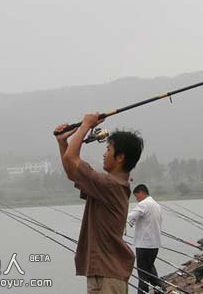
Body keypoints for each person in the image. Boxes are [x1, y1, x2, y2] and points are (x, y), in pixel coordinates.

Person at [55, 113, 144, 294]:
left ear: (120, 157)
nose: (104, 154)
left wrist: (85, 126)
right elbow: (72, 169)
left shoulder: (110, 185)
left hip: (107, 276)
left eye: (108, 150)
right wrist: (62, 142)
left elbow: (72, 159)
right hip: (104, 273)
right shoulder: (109, 185)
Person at [127, 184, 164, 294]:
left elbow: (130, 217)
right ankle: (160, 287)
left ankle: (143, 292)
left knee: (142, 273)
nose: (136, 199)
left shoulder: (143, 204)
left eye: (136, 196)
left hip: (144, 245)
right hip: (155, 245)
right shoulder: (156, 205)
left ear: (141, 193)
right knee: (149, 267)